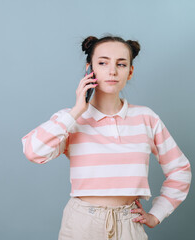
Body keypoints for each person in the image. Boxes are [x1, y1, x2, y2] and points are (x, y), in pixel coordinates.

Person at [21, 35, 192, 240]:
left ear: (130, 72)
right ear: (89, 69)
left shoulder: (146, 118)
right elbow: (33, 151)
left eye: (121, 64)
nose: (112, 71)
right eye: (103, 63)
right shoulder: (71, 119)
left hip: (130, 224)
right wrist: (77, 110)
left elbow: (180, 170)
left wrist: (157, 214)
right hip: (82, 224)